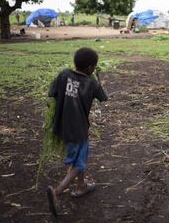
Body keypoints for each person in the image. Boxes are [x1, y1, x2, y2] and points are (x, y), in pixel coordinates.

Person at [46, 47, 108, 217]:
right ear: (90, 68)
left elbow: (51, 94)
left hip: (61, 126)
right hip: (78, 130)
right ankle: (56, 192)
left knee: (76, 156)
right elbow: (104, 97)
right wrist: (97, 78)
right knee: (78, 164)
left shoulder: (64, 74)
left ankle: (81, 186)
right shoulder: (91, 82)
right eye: (94, 67)